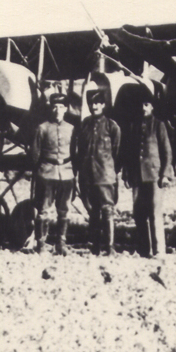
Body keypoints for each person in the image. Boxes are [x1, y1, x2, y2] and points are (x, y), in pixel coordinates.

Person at [24, 92, 75, 255]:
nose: (57, 110)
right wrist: (36, 172)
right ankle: (41, 244)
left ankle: (61, 243)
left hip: (66, 174)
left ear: (66, 109)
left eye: (61, 107)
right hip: (47, 173)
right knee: (44, 211)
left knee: (63, 211)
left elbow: (76, 153)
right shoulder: (43, 128)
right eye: (54, 106)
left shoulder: (71, 129)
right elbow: (35, 154)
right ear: (51, 108)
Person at [123, 92, 173, 257]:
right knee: (138, 213)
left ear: (152, 107)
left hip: (154, 176)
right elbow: (129, 153)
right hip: (137, 176)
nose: (143, 108)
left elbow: (167, 152)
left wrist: (165, 174)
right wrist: (127, 174)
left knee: (154, 213)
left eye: (146, 104)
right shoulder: (133, 126)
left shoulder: (159, 126)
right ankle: (144, 249)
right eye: (141, 105)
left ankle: (159, 250)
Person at [72, 89, 121, 255]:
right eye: (92, 103)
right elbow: (79, 151)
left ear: (103, 105)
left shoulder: (112, 126)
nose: (95, 106)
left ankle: (110, 247)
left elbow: (117, 153)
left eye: (98, 103)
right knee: (93, 211)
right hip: (87, 176)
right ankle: (95, 247)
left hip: (105, 176)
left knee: (107, 210)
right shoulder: (85, 125)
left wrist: (111, 172)